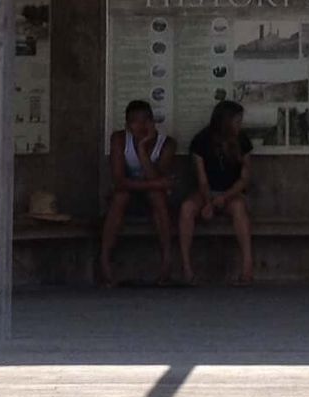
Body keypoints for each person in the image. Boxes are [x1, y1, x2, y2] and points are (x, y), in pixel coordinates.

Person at [100, 99, 179, 286]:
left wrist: (143, 150)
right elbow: (118, 181)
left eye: (145, 120)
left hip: (152, 199)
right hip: (127, 197)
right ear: (127, 125)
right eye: (134, 121)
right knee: (120, 197)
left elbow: (155, 174)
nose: (140, 126)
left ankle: (167, 260)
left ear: (153, 122)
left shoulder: (167, 144)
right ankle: (104, 261)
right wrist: (159, 183)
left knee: (157, 196)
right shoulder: (119, 139)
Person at [181, 98, 257, 286]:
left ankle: (247, 266)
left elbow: (245, 178)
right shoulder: (201, 141)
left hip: (230, 192)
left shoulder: (242, 141)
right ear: (225, 122)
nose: (240, 125)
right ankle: (186, 268)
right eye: (237, 121)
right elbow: (202, 179)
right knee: (187, 208)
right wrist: (208, 203)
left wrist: (225, 197)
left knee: (239, 208)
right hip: (207, 191)